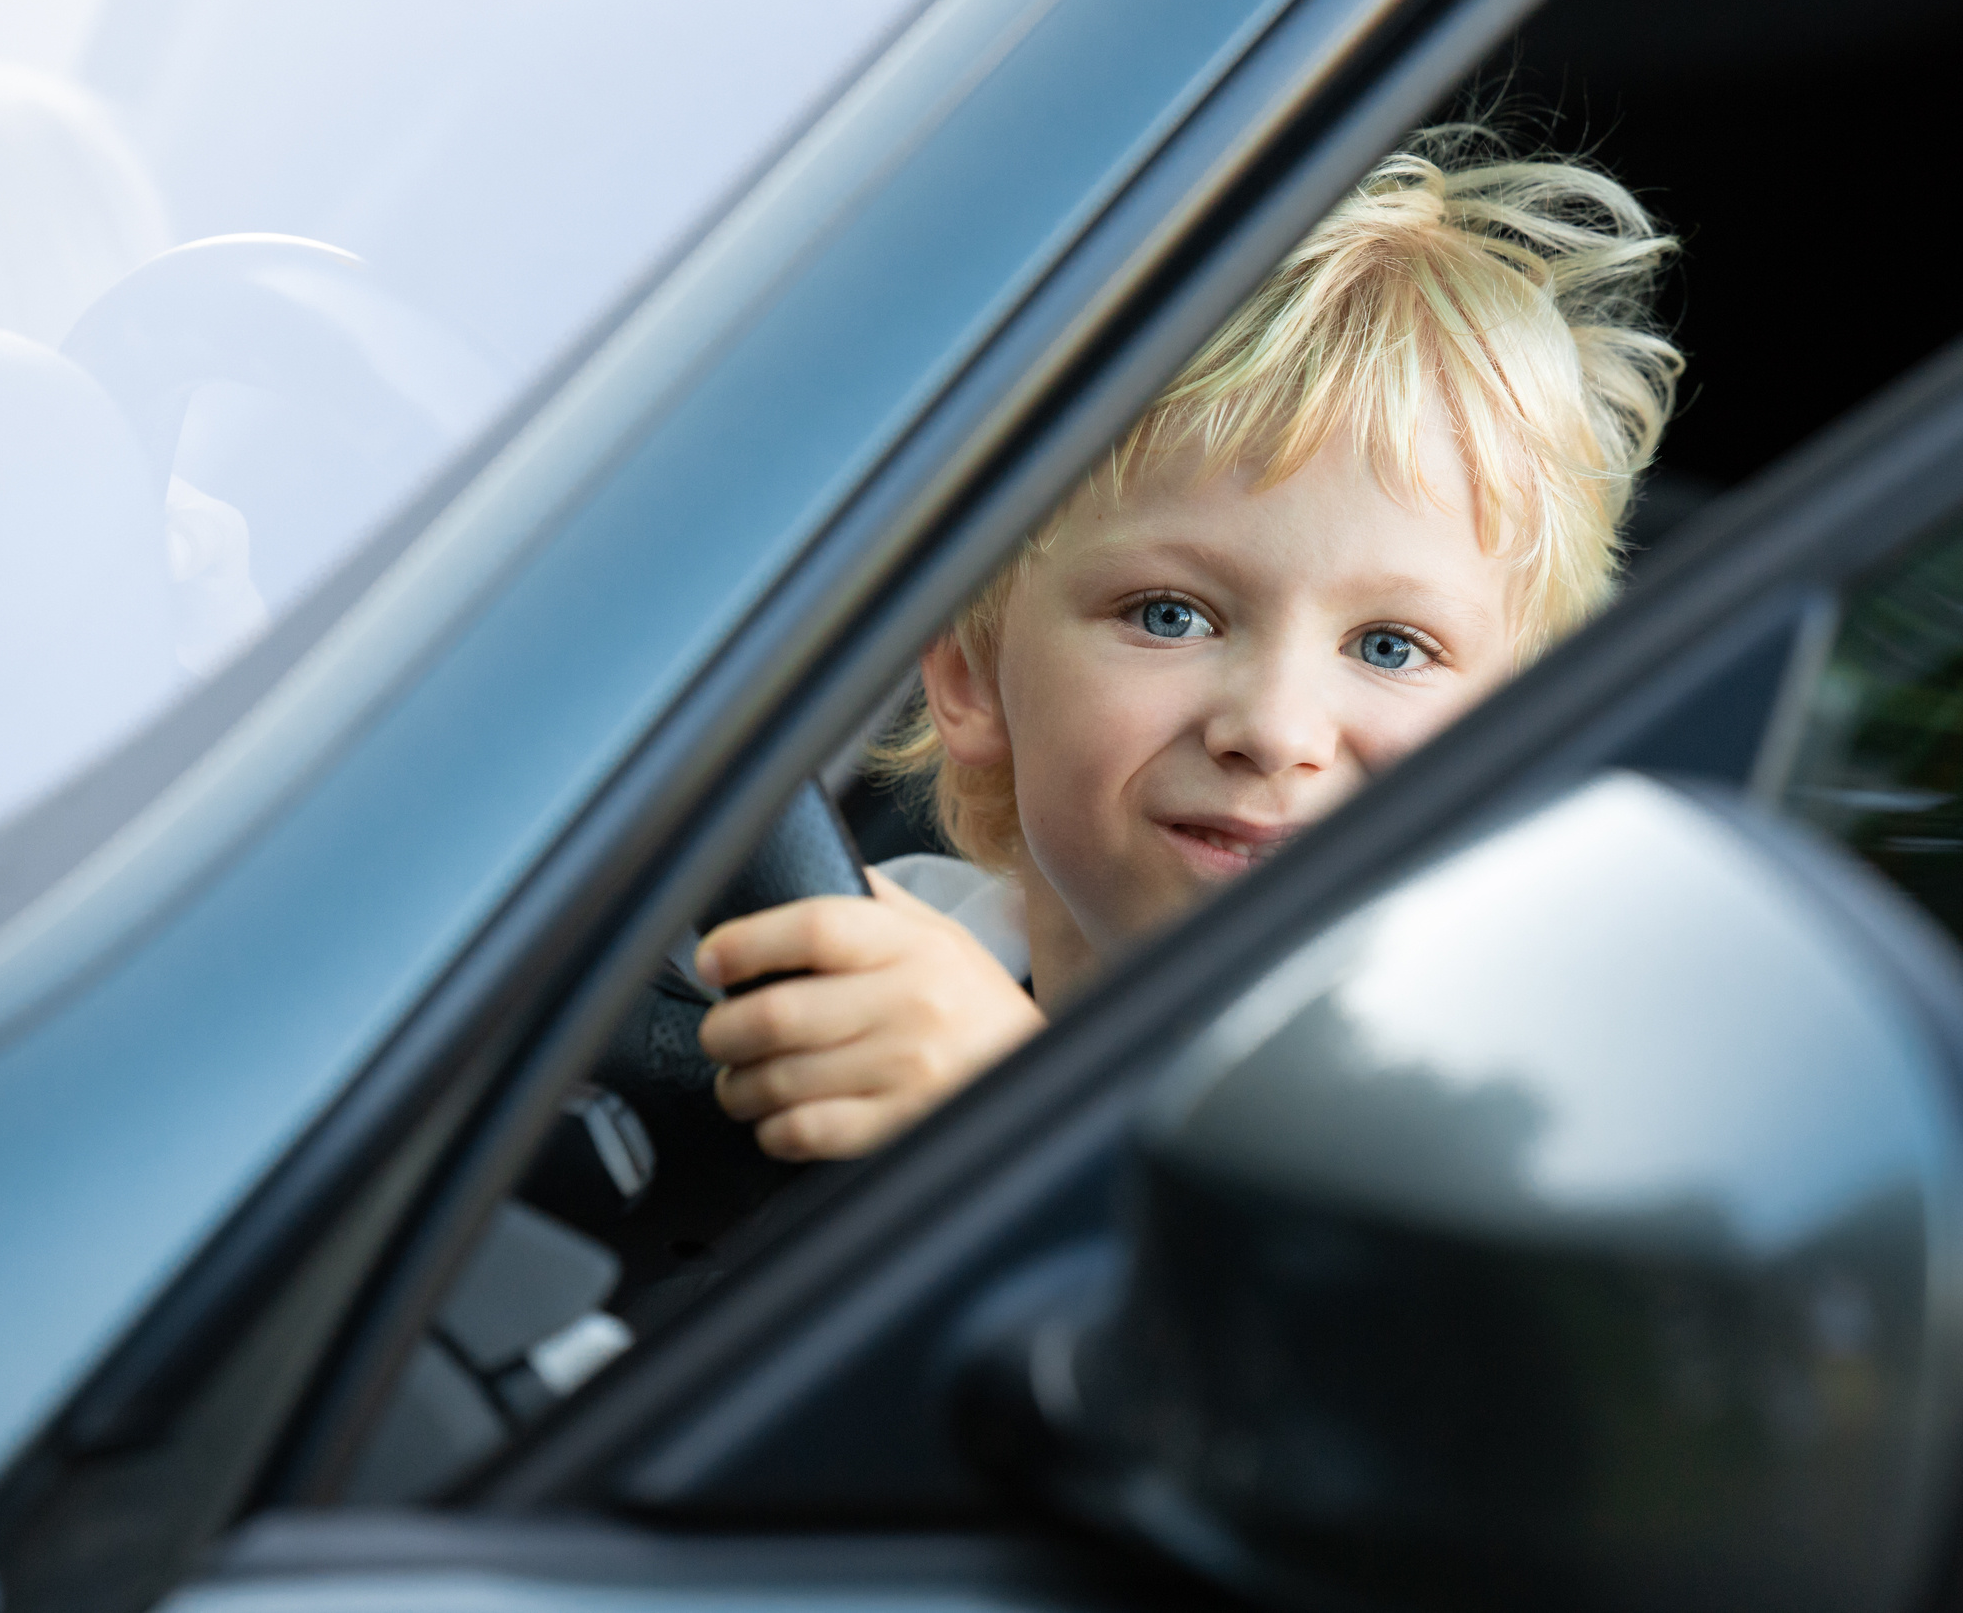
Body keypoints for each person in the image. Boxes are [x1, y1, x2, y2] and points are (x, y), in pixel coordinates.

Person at [692, 129, 1681, 1160]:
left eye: (1390, 646)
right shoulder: (891, 951)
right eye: (1170, 615)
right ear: (967, 672)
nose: (1272, 729)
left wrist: (1009, 1129)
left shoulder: (1508, 1133)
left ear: (1521, 734)